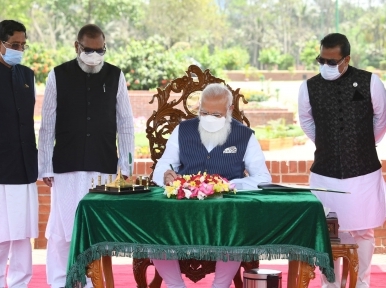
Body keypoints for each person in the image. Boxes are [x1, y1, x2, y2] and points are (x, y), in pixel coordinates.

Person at [38, 24, 134, 288]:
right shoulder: (58, 75)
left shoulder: (116, 75)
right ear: (76, 46)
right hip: (65, 165)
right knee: (62, 231)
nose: (94, 54)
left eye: (99, 49)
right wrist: (45, 166)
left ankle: (93, 283)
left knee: (95, 229)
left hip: (102, 166)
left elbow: (125, 121)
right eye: (88, 50)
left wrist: (126, 164)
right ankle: (59, 282)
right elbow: (47, 122)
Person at [152, 83, 272, 288]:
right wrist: (166, 174)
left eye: (216, 115)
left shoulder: (245, 135)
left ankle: (220, 285)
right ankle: (175, 285)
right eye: (204, 112)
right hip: (184, 206)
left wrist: (231, 185)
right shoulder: (183, 130)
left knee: (236, 228)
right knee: (154, 225)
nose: (208, 118)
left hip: (225, 209)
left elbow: (263, 177)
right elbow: (164, 164)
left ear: (229, 110)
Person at [298, 33, 386, 288]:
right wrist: (326, 143)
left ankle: (362, 283)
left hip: (364, 170)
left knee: (363, 231)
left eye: (332, 61)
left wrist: (362, 143)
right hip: (325, 171)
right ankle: (330, 284)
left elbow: (381, 119)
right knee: (329, 232)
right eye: (321, 60)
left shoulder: (371, 82)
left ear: (346, 59)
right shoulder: (308, 87)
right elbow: (306, 121)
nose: (326, 66)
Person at [0, 20, 38, 288]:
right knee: (2, 235)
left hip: (25, 166)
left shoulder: (27, 74)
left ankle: (20, 284)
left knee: (23, 235)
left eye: (23, 45)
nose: (20, 49)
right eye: (14, 45)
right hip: (1, 168)